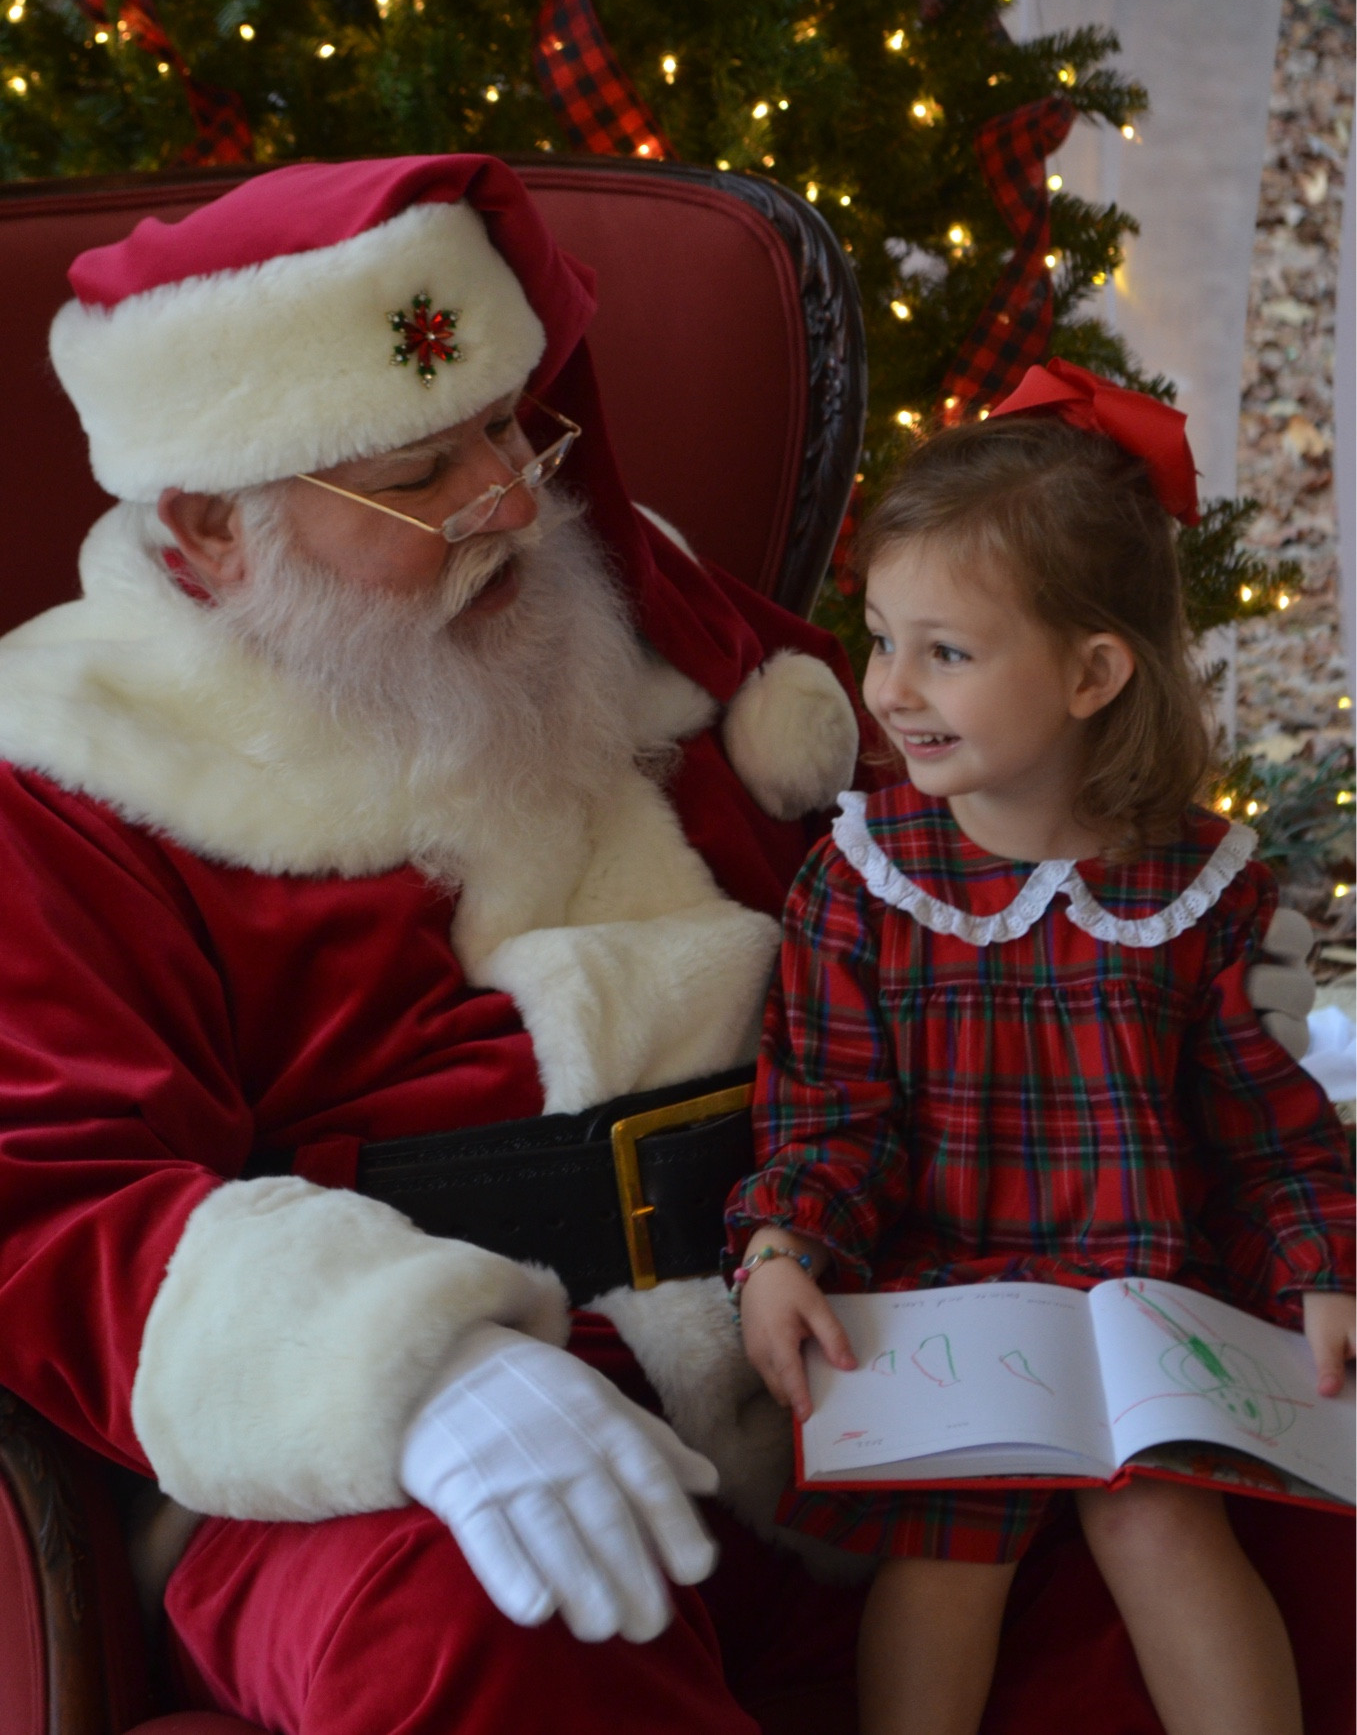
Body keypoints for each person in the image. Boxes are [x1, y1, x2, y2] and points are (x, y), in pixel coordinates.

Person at [0, 154, 871, 1734]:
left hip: (814, 1321)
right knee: (504, 1633)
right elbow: (53, 1202)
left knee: (1213, 1526)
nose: (512, 502)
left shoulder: (617, 602)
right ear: (209, 525)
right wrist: (414, 1373)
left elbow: (889, 886)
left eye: (506, 425)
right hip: (382, 1458)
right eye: (417, 476)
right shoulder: (65, 774)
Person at [726, 362, 1356, 1735]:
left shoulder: (1202, 885)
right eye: (881, 640)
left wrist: (1321, 1271)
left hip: (1142, 1297)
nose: (891, 690)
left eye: (944, 652)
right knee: (945, 1556)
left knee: (1166, 1533)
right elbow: (827, 1114)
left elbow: (1265, 1124)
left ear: (1090, 672)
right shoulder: (860, 875)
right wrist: (781, 1248)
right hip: (949, 1305)